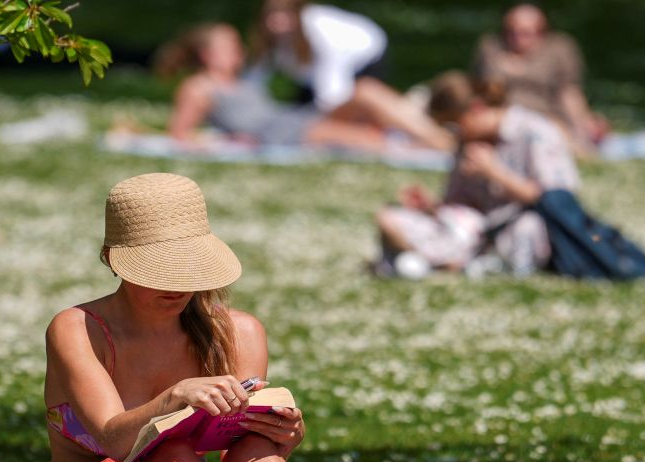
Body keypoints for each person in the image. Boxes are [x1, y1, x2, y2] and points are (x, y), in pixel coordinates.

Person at [36, 172, 349, 462]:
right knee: (174, 456)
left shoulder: (238, 333)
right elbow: (113, 439)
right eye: (158, 270)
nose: (177, 285)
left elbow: (240, 449)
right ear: (112, 259)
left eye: (188, 268)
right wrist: (174, 398)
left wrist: (284, 436)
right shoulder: (78, 329)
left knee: (258, 452)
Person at [374, 71, 580, 277]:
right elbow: (459, 207)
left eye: (454, 126)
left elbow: (557, 200)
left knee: (528, 225)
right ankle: (444, 263)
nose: (454, 134)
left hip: (520, 228)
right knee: (390, 218)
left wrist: (495, 173)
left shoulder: (535, 131)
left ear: (476, 109)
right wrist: (429, 207)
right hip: (473, 233)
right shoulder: (467, 143)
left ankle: (440, 263)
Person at [157, 23, 453, 152]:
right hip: (277, 134)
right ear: (208, 54)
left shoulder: (243, 79)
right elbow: (180, 134)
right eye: (230, 46)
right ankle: (442, 143)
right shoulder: (198, 87)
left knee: (366, 91)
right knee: (372, 139)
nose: (239, 51)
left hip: (293, 120)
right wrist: (221, 143)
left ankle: (439, 138)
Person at [472, 4, 608, 154]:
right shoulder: (491, 48)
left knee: (558, 136)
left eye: (525, 33)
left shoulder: (558, 48)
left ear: (541, 32)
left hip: (545, 115)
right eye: (511, 32)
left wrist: (583, 122)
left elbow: (569, 93)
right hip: (503, 114)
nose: (517, 38)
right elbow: (481, 90)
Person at [249, 0, 387, 112]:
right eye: (273, 17)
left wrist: (330, 111)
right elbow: (256, 76)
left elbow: (333, 77)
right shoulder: (271, 42)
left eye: (284, 17)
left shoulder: (320, 29)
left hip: (364, 60)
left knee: (357, 106)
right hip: (316, 79)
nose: (279, 24)